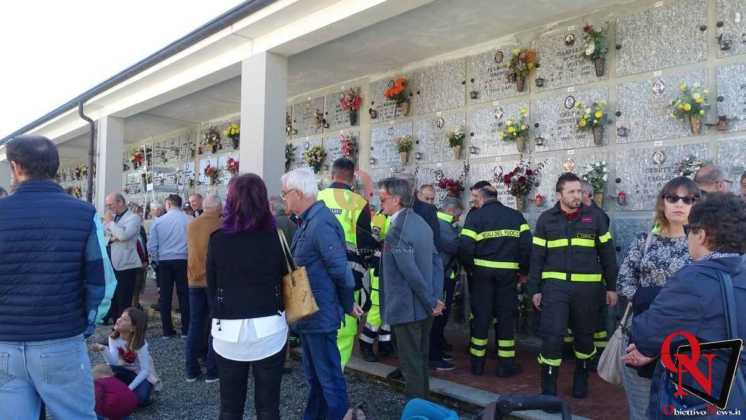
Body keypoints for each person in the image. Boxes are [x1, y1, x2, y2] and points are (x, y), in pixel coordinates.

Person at [0, 135, 106, 419]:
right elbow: (100, 282)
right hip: (60, 339)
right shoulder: (84, 214)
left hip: (4, 343)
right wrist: (86, 323)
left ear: (16, 167)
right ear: (54, 167)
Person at [624, 192, 746, 417]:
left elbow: (648, 333)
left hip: (699, 397)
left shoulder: (693, 279)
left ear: (701, 235)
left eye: (689, 231)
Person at [528, 172, 618, 400]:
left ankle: (581, 379)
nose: (578, 195)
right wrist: (535, 289)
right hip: (555, 289)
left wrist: (611, 287)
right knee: (552, 336)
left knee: (585, 337)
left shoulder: (595, 218)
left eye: (579, 191)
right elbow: (537, 257)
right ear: (559, 194)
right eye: (572, 192)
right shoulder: (546, 219)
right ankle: (548, 389)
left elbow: (607, 255)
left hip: (587, 290)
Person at [616, 177, 699, 420]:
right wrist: (652, 300)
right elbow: (624, 280)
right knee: (641, 407)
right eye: (672, 198)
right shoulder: (645, 240)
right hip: (641, 332)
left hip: (683, 338)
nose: (679, 204)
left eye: (688, 199)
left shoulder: (700, 243)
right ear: (663, 203)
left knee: (680, 407)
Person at [207, 175, 288, 420]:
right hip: (270, 326)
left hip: (228, 328)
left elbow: (211, 284)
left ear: (231, 201)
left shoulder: (218, 239)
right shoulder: (276, 237)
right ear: (263, 201)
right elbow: (286, 279)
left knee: (230, 407)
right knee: (268, 406)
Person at [282, 167, 357, 420]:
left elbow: (341, 270)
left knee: (329, 379)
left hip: (320, 314)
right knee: (316, 377)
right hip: (309, 314)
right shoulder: (308, 222)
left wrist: (348, 303)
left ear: (299, 193)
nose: (284, 199)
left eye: (285, 194)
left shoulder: (321, 222)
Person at [378, 177, 444, 400]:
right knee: (421, 361)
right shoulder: (421, 223)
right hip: (424, 308)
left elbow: (410, 272)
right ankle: (423, 407)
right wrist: (435, 298)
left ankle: (417, 411)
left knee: (411, 365)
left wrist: (431, 300)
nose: (380, 203)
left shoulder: (397, 230)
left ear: (396, 200)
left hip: (408, 308)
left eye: (383, 198)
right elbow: (437, 262)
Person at [459, 184, 531, 377]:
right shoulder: (516, 216)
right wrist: (523, 271)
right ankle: (506, 364)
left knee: (481, 317)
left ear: (481, 199)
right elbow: (526, 247)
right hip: (508, 275)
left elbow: (465, 247)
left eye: (475, 199)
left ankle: (477, 365)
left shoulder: (475, 216)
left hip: (482, 275)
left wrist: (471, 269)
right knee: (506, 317)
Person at [317, 158, 376, 367]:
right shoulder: (359, 203)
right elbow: (365, 243)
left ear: (332, 175)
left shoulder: (317, 198)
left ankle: (321, 376)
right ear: (352, 179)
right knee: (344, 331)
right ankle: (336, 376)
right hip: (348, 273)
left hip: (318, 273)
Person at [185, 194, 222, 383]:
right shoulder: (220, 225)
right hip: (212, 281)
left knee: (195, 324)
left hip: (193, 279)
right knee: (215, 324)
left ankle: (191, 369)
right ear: (218, 208)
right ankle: (212, 369)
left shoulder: (192, 224)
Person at [91, 307, 159, 407]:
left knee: (141, 398)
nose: (119, 320)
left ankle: (131, 392)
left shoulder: (141, 344)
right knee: (100, 371)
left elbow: (145, 371)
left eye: (125, 319)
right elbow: (113, 363)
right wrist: (103, 349)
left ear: (133, 328)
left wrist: (128, 389)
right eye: (120, 317)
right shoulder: (113, 338)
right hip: (123, 370)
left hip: (139, 374)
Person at [148, 194, 191, 338]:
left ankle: (167, 330)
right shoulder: (189, 219)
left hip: (165, 261)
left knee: (165, 297)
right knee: (184, 295)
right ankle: (186, 329)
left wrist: (156, 260)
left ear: (168, 204)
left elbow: (152, 245)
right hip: (183, 259)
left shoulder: (159, 222)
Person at [429, 197, 463, 371]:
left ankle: (437, 351)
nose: (459, 217)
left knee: (440, 317)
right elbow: (455, 247)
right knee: (439, 317)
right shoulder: (443, 225)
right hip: (441, 277)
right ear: (451, 210)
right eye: (459, 213)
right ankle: (434, 357)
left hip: (444, 275)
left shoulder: (443, 223)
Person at [358, 208, 395, 362]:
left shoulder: (399, 217)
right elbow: (373, 240)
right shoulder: (381, 217)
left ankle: (384, 343)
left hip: (391, 269)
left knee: (389, 310)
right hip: (379, 268)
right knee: (377, 310)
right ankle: (365, 344)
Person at [580, 180, 610, 363]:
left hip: (595, 274)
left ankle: (599, 354)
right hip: (584, 275)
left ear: (588, 195)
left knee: (596, 316)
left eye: (579, 192)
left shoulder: (598, 216)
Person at [103, 192, 144, 324]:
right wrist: (112, 235)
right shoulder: (113, 218)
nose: (108, 208)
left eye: (110, 205)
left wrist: (110, 224)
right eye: (107, 205)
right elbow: (104, 237)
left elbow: (123, 236)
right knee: (113, 299)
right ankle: (116, 330)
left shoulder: (133, 218)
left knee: (123, 300)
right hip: (111, 264)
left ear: (120, 202)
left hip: (125, 265)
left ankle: (124, 332)